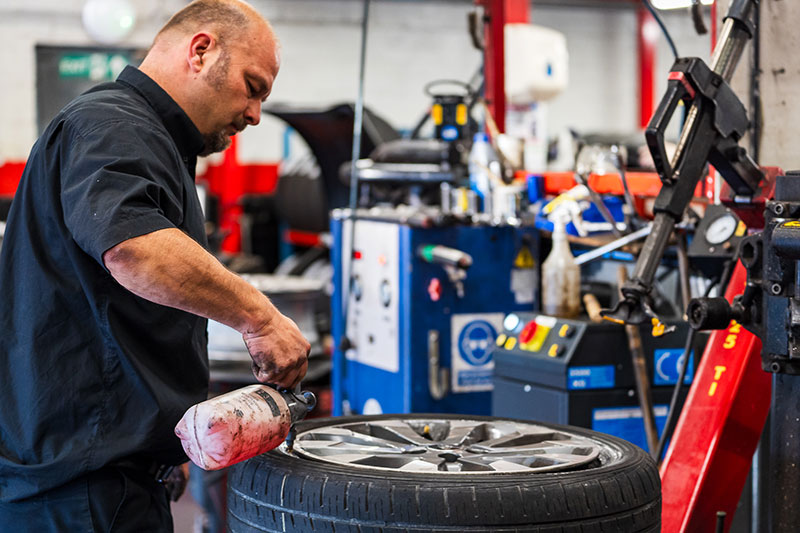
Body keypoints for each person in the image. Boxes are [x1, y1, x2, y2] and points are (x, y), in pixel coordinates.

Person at [0, 1, 310, 531]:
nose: (255, 113)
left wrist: (165, 444)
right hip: (82, 491)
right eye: (252, 86)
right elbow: (132, 246)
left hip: (103, 477)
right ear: (201, 50)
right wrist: (261, 319)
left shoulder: (146, 137)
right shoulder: (112, 124)